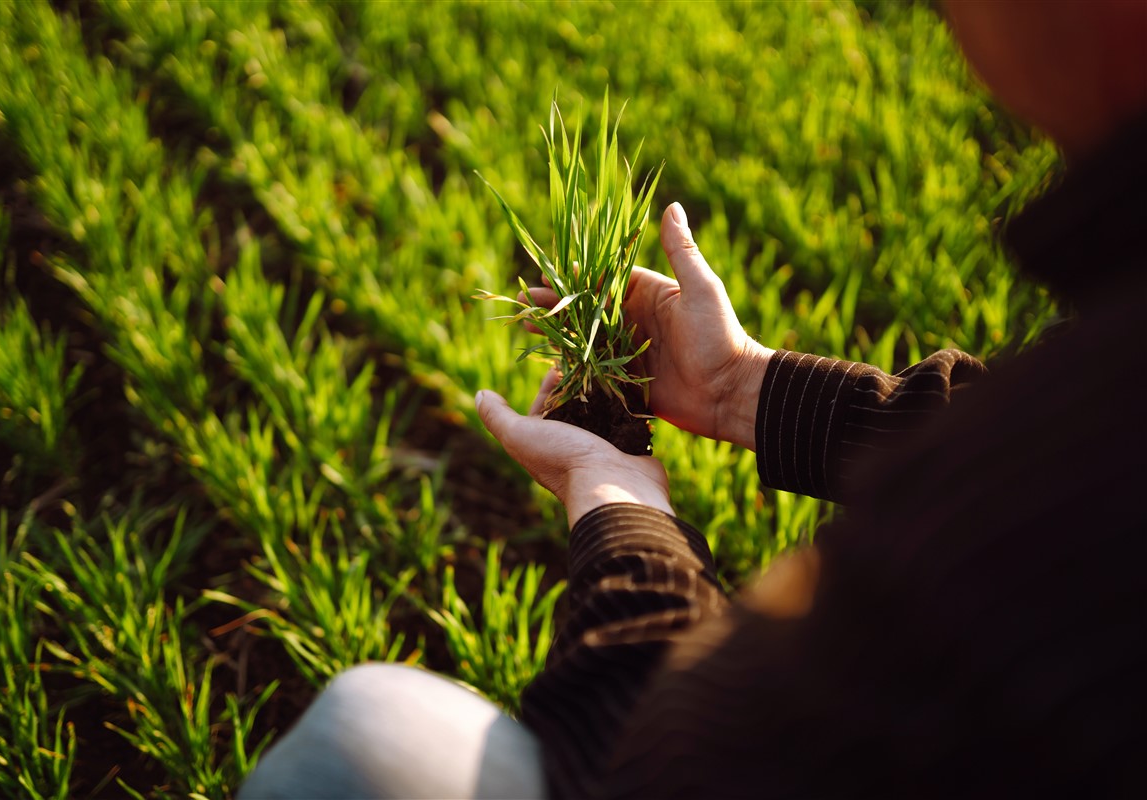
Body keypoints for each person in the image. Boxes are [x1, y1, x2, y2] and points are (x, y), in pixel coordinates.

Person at [241, 1, 1146, 797]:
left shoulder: (1038, 511)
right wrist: (743, 387)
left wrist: (618, 502)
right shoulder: (1094, 395)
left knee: (362, 738)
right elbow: (1010, 441)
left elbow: (674, 765)